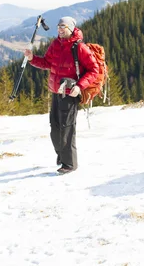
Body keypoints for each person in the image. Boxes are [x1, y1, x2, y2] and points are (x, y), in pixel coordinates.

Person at [24, 16, 100, 174]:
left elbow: (94, 70)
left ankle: (70, 164)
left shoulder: (79, 47)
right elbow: (46, 63)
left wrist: (80, 87)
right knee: (55, 129)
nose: (59, 29)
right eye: (58, 26)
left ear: (71, 28)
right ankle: (62, 155)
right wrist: (32, 59)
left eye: (63, 26)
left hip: (71, 93)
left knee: (67, 129)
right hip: (56, 92)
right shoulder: (55, 45)